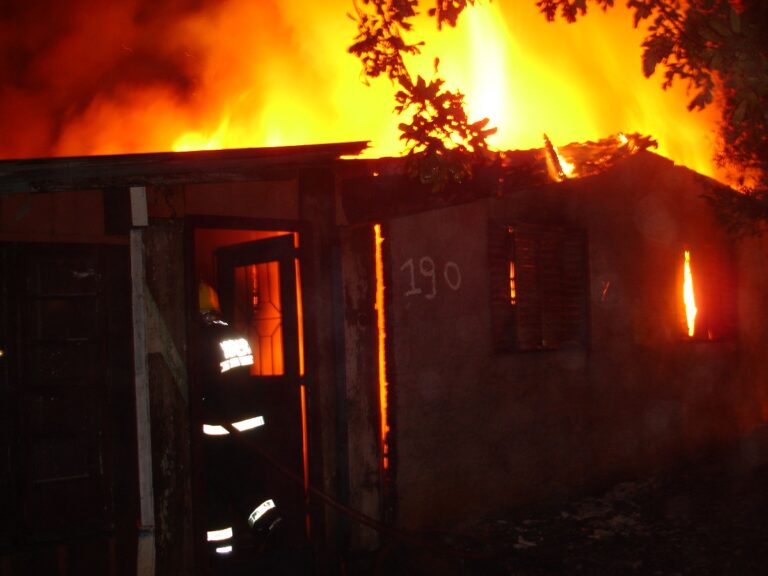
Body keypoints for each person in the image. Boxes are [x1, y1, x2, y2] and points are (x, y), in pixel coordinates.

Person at [198, 282, 282, 571]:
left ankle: (222, 560)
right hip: (252, 431)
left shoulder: (203, 341)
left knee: (218, 498)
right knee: (251, 485)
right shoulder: (236, 336)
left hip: (221, 436)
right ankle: (271, 529)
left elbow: (203, 386)